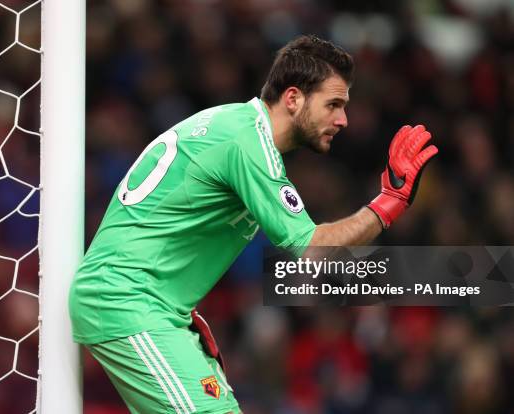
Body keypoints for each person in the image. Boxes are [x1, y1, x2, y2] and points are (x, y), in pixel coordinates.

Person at [68, 34, 437, 414]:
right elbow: (313, 251)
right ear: (293, 99)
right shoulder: (248, 142)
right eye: (333, 105)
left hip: (149, 306)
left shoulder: (234, 126)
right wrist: (388, 203)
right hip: (127, 301)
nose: (342, 120)